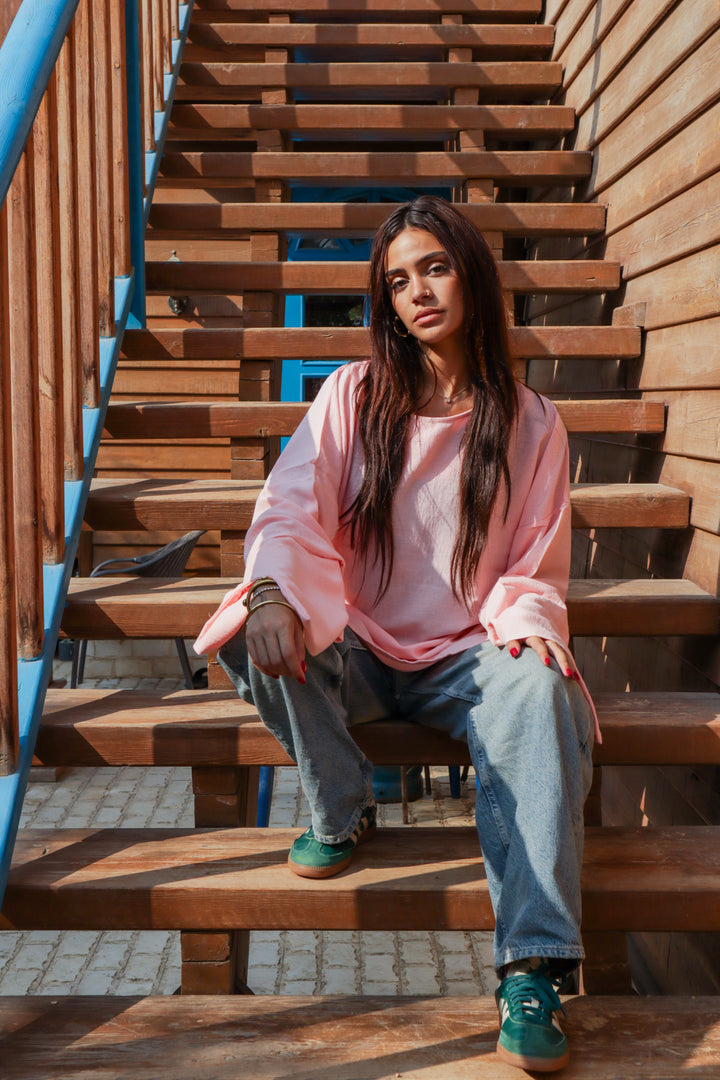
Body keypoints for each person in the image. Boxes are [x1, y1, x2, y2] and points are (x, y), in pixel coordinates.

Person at [194, 195, 598, 1074]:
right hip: (361, 645)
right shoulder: (355, 394)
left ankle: (530, 969)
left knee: (543, 686)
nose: (418, 292)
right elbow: (291, 508)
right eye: (398, 280)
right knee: (244, 626)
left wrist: (525, 636)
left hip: (468, 656)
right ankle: (341, 807)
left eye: (436, 268)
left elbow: (534, 563)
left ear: (473, 275)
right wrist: (270, 593)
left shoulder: (530, 421)